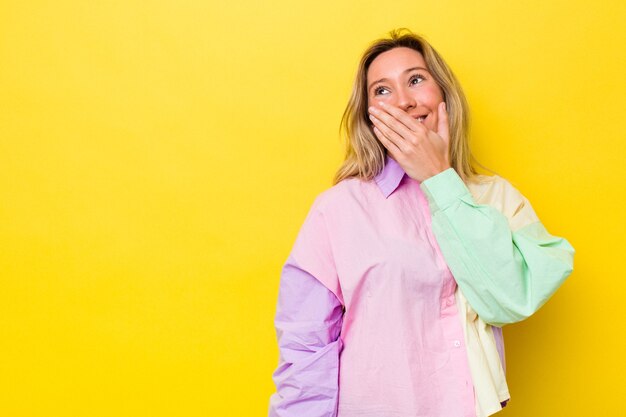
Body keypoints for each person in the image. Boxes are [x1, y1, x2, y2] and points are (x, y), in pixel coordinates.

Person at [268, 28, 575, 417]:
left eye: (416, 80)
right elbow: (305, 348)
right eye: (382, 91)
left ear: (443, 94)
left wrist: (440, 180)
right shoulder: (338, 209)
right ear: (369, 115)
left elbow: (511, 299)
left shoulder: (497, 197)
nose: (404, 102)